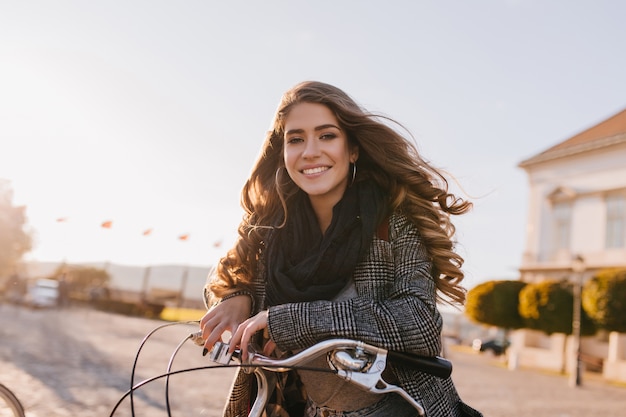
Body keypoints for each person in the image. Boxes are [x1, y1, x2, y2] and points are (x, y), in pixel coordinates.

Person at [199, 81, 482, 417]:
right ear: (283, 151)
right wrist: (237, 296)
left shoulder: (394, 222)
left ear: (353, 149)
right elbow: (227, 278)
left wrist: (289, 319)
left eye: (327, 135)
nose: (310, 151)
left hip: (388, 407)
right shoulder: (269, 225)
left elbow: (419, 323)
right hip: (282, 405)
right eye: (296, 139)